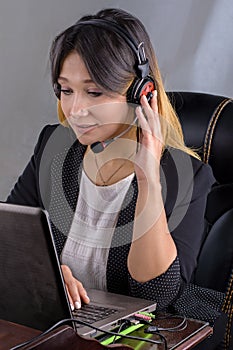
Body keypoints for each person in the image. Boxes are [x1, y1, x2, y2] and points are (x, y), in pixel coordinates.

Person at [6, 8, 224, 324]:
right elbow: (9, 241)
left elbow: (157, 298)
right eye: (66, 90)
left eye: (94, 92)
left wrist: (148, 175)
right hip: (58, 324)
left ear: (140, 93)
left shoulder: (186, 176)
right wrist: (49, 274)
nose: (75, 109)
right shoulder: (54, 148)